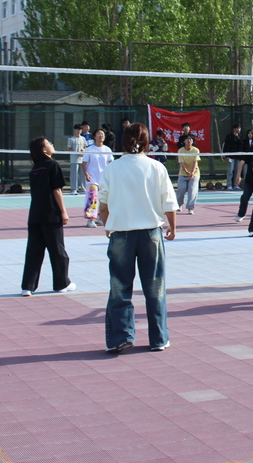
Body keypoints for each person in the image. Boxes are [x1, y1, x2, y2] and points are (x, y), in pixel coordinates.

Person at [98, 123, 178, 353]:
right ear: (146, 142)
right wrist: (172, 227)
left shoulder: (112, 169)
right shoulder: (156, 167)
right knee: (155, 287)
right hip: (151, 233)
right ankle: (158, 338)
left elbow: (103, 205)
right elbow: (169, 202)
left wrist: (109, 225)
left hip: (121, 232)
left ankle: (120, 337)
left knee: (120, 286)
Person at [21, 137, 75, 296]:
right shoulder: (53, 165)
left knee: (34, 251)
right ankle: (61, 283)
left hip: (35, 214)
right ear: (44, 150)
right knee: (57, 250)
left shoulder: (35, 169)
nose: (52, 144)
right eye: (49, 143)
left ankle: (28, 286)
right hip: (51, 214)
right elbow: (56, 190)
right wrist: (63, 211)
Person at [235, 132, 253, 223]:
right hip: (249, 180)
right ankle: (241, 214)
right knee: (245, 197)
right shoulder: (249, 152)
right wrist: (238, 176)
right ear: (252, 142)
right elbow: (241, 163)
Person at [82, 129, 114, 198]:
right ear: (94, 137)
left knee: (104, 200)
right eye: (99, 134)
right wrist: (86, 174)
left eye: (102, 134)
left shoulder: (107, 149)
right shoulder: (89, 149)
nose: (101, 135)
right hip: (92, 178)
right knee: (91, 200)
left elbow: (111, 163)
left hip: (104, 178)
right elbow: (84, 163)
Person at [176, 134, 200, 215]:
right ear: (184, 141)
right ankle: (179, 205)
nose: (189, 140)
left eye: (191, 139)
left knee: (192, 190)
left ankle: (190, 208)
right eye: (187, 139)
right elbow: (182, 163)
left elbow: (195, 162)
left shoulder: (196, 150)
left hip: (194, 174)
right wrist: (186, 172)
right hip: (183, 173)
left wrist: (192, 173)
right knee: (181, 189)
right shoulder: (180, 151)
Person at [67, 124, 88, 194]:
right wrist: (77, 153)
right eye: (77, 129)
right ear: (74, 130)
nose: (78, 131)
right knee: (74, 174)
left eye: (80, 130)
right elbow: (68, 149)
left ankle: (83, 189)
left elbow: (85, 147)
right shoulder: (71, 139)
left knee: (83, 174)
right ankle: (74, 189)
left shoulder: (83, 139)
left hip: (82, 159)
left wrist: (83, 151)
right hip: (74, 160)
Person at [223, 123, 244, 190]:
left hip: (238, 157)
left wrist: (237, 137)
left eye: (239, 128)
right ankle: (229, 185)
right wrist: (226, 156)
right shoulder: (229, 136)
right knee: (230, 171)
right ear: (234, 129)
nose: (238, 130)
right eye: (237, 128)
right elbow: (226, 146)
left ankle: (236, 185)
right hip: (231, 157)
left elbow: (242, 145)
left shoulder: (240, 137)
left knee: (237, 171)